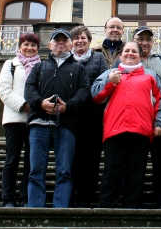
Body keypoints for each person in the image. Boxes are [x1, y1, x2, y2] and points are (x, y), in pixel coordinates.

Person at [91, 41, 161, 208]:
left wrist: (160, 123)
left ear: (140, 56)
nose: (130, 54)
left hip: (141, 130)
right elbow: (96, 95)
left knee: (136, 172)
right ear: (120, 55)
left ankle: (132, 208)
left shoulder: (151, 75)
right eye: (126, 51)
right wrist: (110, 82)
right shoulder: (110, 73)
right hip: (114, 130)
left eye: (134, 51)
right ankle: (106, 208)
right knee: (111, 172)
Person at [24, 28, 90, 208]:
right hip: (39, 123)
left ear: (70, 45)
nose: (61, 43)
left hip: (66, 124)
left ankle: (60, 209)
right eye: (57, 40)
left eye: (64, 40)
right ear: (50, 45)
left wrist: (68, 106)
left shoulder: (79, 68)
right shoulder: (39, 67)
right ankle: (35, 208)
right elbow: (29, 89)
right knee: (36, 170)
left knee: (64, 171)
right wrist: (40, 103)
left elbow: (84, 92)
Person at [133, 26, 161, 209]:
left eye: (148, 39)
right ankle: (134, 199)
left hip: (160, 118)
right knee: (135, 162)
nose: (144, 43)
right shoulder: (127, 61)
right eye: (140, 39)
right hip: (136, 119)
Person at [0, 32, 40, 208]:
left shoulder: (41, 66)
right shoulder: (11, 64)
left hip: (34, 120)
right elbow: (4, 90)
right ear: (20, 47)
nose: (29, 48)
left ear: (38, 48)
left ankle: (25, 198)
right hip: (15, 118)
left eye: (33, 45)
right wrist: (23, 105)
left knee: (31, 161)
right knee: (12, 159)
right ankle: (8, 198)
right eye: (26, 44)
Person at [69, 25, 109, 208]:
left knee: (91, 158)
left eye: (83, 38)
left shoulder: (98, 58)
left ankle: (87, 197)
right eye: (76, 38)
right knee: (72, 158)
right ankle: (71, 195)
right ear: (71, 42)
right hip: (71, 116)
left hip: (93, 116)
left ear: (89, 41)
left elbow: (104, 81)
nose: (80, 41)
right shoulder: (66, 59)